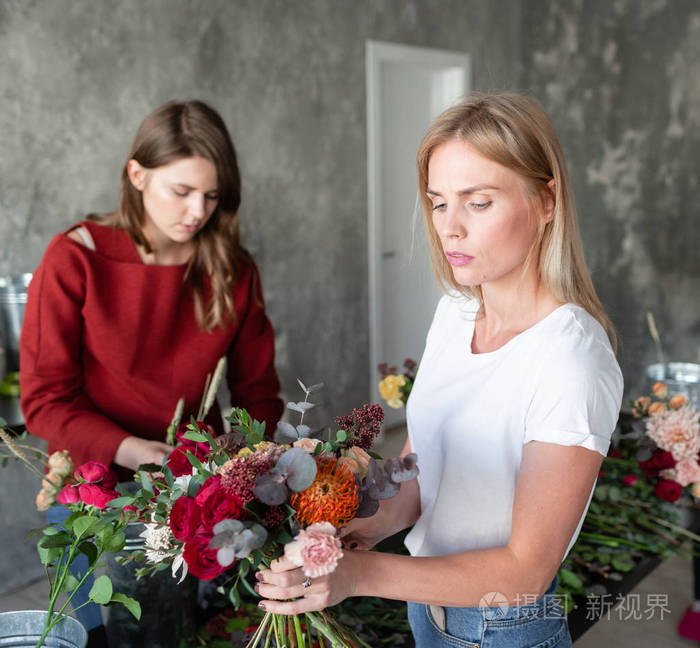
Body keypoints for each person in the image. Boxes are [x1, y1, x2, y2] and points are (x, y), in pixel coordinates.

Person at [255, 93, 623, 648]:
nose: (450, 228)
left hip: (501, 627)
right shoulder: (455, 312)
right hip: (428, 607)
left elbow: (524, 573)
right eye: (437, 202)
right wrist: (366, 528)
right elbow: (425, 465)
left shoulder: (570, 360)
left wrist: (360, 576)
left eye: (478, 203)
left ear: (547, 201)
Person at [19, 100, 284, 641]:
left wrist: (239, 466)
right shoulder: (76, 258)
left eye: (211, 196)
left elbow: (258, 393)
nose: (197, 212)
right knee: (105, 630)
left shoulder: (231, 268)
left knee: (189, 629)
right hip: (96, 488)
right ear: (136, 174)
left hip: (197, 493)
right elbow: (44, 400)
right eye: (181, 191)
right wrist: (134, 451)